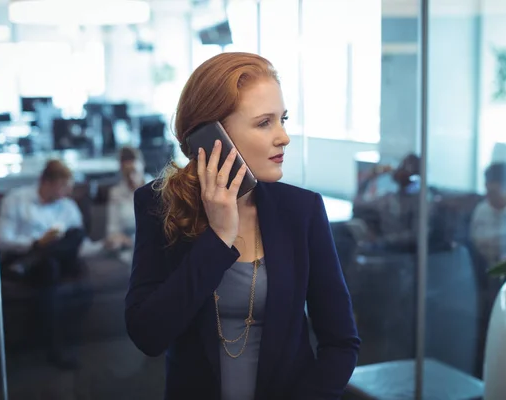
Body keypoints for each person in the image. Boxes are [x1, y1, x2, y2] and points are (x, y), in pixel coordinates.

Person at [125, 52, 360, 400]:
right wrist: (219, 237)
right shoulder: (159, 206)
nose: (283, 137)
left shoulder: (302, 211)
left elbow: (341, 342)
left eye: (283, 119)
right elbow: (149, 335)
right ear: (211, 134)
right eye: (264, 123)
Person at [0, 159, 93, 369]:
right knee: (49, 265)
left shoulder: (67, 206)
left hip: (42, 260)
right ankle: (54, 350)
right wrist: (37, 243)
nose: (67, 193)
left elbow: (80, 242)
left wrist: (106, 244)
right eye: (63, 186)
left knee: (75, 233)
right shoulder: (16, 200)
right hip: (23, 255)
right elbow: (2, 241)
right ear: (46, 182)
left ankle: (33, 261)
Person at [104, 146, 152, 258]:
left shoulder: (157, 188)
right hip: (128, 250)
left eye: (134, 171)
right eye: (126, 173)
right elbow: (112, 230)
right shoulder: (116, 193)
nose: (131, 177)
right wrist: (116, 240)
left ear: (142, 166)